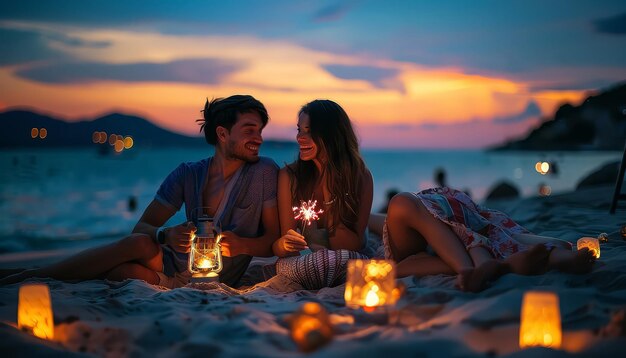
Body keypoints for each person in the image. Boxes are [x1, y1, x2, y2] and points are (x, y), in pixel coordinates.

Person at [1, 95, 280, 288]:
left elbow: (272, 240)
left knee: (121, 269)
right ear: (222, 134)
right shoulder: (188, 173)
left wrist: (242, 245)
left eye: (260, 131)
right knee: (138, 246)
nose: (259, 138)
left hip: (214, 278)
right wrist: (166, 234)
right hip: (169, 266)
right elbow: (142, 226)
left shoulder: (264, 172)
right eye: (250, 130)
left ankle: (33, 275)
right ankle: (33, 275)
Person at [370, 187, 596, 292]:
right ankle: (555, 256)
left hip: (435, 229)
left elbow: (377, 222)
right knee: (501, 238)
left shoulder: (399, 212)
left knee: (403, 265)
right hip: (443, 229)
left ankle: (491, 266)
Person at [269, 99, 374, 289]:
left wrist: (330, 189)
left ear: (331, 135)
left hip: (347, 250)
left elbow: (350, 245)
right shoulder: (289, 177)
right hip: (305, 261)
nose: (300, 137)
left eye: (309, 131)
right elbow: (282, 246)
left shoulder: (360, 177)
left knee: (344, 258)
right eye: (299, 130)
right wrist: (284, 244)